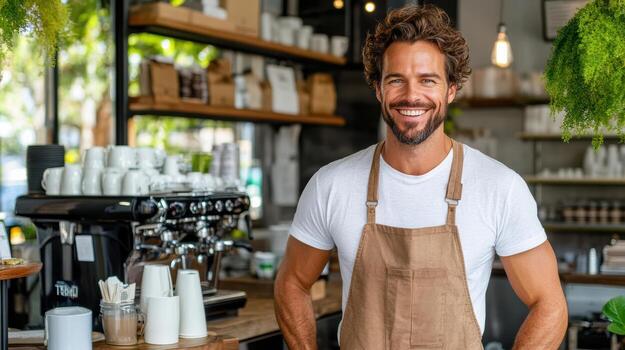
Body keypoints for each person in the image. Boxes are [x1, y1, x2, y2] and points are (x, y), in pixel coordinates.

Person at [274, 4, 567, 349]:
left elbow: (550, 304)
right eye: (396, 80)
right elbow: (291, 283)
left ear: (451, 90)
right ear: (379, 89)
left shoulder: (499, 187)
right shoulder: (331, 185)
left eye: (428, 80)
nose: (411, 95)